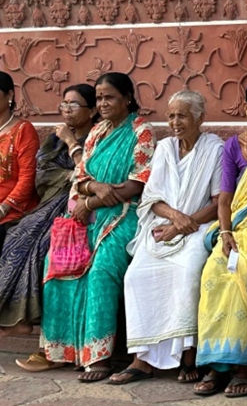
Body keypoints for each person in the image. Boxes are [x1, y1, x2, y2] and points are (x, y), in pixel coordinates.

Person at [16, 72, 156, 382]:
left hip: (124, 216)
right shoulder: (96, 133)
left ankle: (99, 357)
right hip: (86, 216)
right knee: (56, 265)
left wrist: (93, 199)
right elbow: (81, 174)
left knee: (101, 270)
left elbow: (136, 184)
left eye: (110, 98)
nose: (103, 103)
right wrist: (95, 186)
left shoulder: (142, 131)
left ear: (127, 99)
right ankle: (60, 351)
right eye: (100, 98)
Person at [109, 90, 223, 385]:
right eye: (170, 115)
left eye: (181, 115)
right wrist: (174, 218)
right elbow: (151, 199)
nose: (174, 121)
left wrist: (185, 222)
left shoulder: (215, 148)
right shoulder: (163, 148)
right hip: (164, 224)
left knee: (188, 274)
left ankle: (188, 355)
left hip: (199, 227)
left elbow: (217, 203)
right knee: (136, 276)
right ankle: (142, 359)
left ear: (200, 117)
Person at [194, 79, 247, 398]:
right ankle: (217, 367)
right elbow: (225, 197)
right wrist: (227, 232)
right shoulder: (233, 145)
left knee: (246, 270)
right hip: (238, 228)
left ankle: (245, 368)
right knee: (215, 271)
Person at [0, 84, 97, 339]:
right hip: (51, 202)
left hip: (83, 204)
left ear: (92, 111)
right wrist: (68, 174)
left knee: (46, 245)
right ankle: (15, 318)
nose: (66, 110)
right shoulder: (54, 139)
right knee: (18, 236)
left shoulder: (98, 137)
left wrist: (71, 143)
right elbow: (43, 173)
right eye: (63, 104)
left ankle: (24, 319)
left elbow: (93, 174)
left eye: (73, 105)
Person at [0, 72, 40, 255]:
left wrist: (3, 207)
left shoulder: (24, 130)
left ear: (9, 95)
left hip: (10, 210)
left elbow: (27, 177)